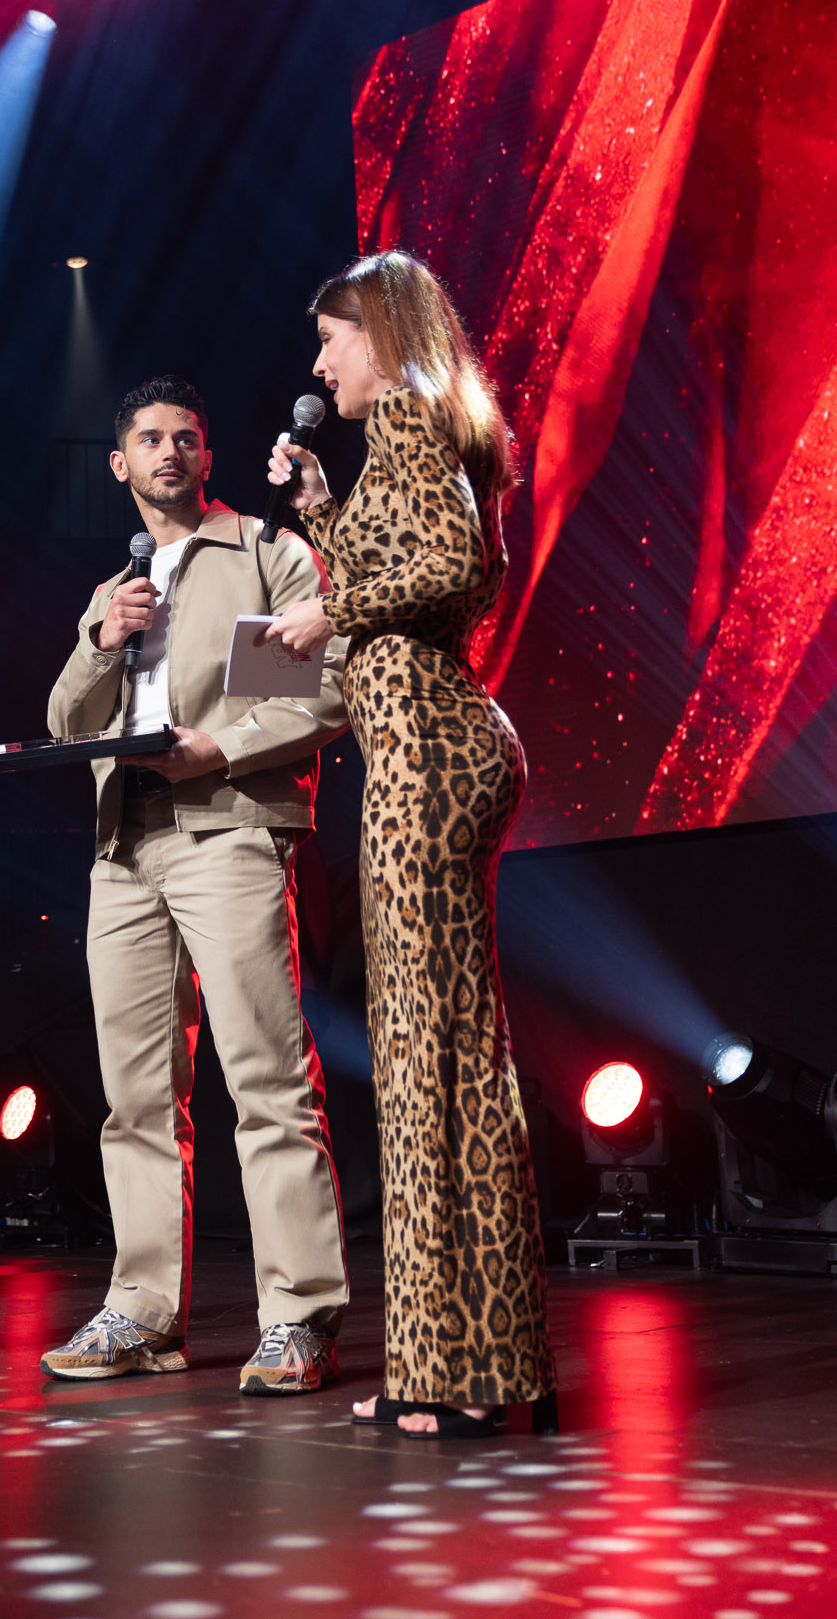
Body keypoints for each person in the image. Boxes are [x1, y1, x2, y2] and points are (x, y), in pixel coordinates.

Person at [265, 254, 557, 1438]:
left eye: (330, 336)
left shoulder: (400, 412)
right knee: (449, 1060)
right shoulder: (407, 429)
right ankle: (489, 1368)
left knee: (426, 1059)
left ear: (379, 334)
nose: (319, 360)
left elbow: (453, 568)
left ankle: (443, 1374)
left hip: (425, 759)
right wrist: (321, 514)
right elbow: (420, 559)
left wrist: (326, 605)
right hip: (435, 749)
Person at [42, 376, 352, 1394]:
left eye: (187, 436)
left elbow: (319, 687)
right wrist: (100, 636)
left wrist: (215, 746)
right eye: (148, 438)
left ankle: (298, 1313)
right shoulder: (111, 588)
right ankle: (140, 1310)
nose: (168, 450)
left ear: (207, 457)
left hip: (227, 829)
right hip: (122, 846)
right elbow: (63, 720)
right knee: (134, 1097)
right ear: (118, 463)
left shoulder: (263, 551)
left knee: (265, 1078)